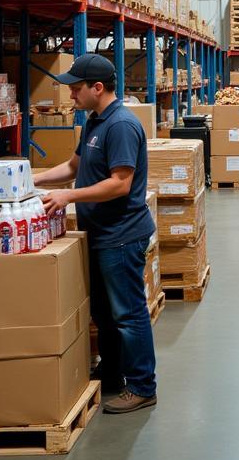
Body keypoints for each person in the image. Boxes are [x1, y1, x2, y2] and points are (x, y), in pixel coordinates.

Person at [35, 53, 158, 414]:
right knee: (104, 312)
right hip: (100, 232)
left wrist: (68, 196)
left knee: (128, 314)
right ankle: (113, 372)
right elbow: (74, 166)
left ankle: (142, 386)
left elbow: (120, 184)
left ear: (97, 88)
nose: (70, 95)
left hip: (121, 235)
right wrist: (31, 179)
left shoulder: (120, 125)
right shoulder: (94, 121)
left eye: (76, 89)